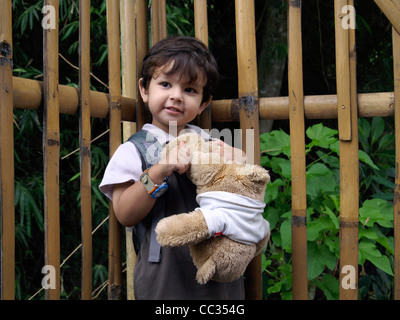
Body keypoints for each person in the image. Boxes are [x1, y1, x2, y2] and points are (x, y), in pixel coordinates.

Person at [100, 36, 246, 299]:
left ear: (203, 102)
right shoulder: (133, 150)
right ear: (145, 89)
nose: (176, 96)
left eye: (190, 90)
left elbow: (245, 190)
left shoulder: (212, 143)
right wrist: (159, 169)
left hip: (219, 273)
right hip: (164, 277)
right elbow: (125, 214)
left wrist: (238, 158)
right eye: (165, 84)